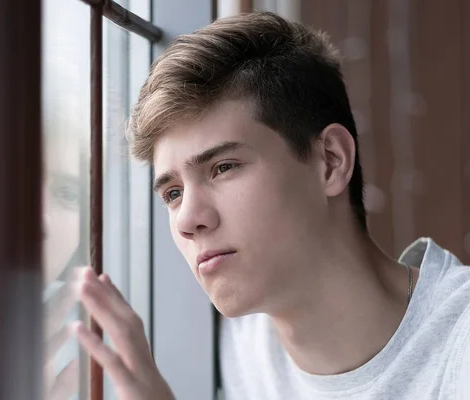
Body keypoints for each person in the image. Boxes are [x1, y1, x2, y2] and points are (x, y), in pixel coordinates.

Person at [72, 11, 470, 400]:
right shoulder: (238, 347)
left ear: (331, 161)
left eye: (223, 167)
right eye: (172, 193)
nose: (189, 220)